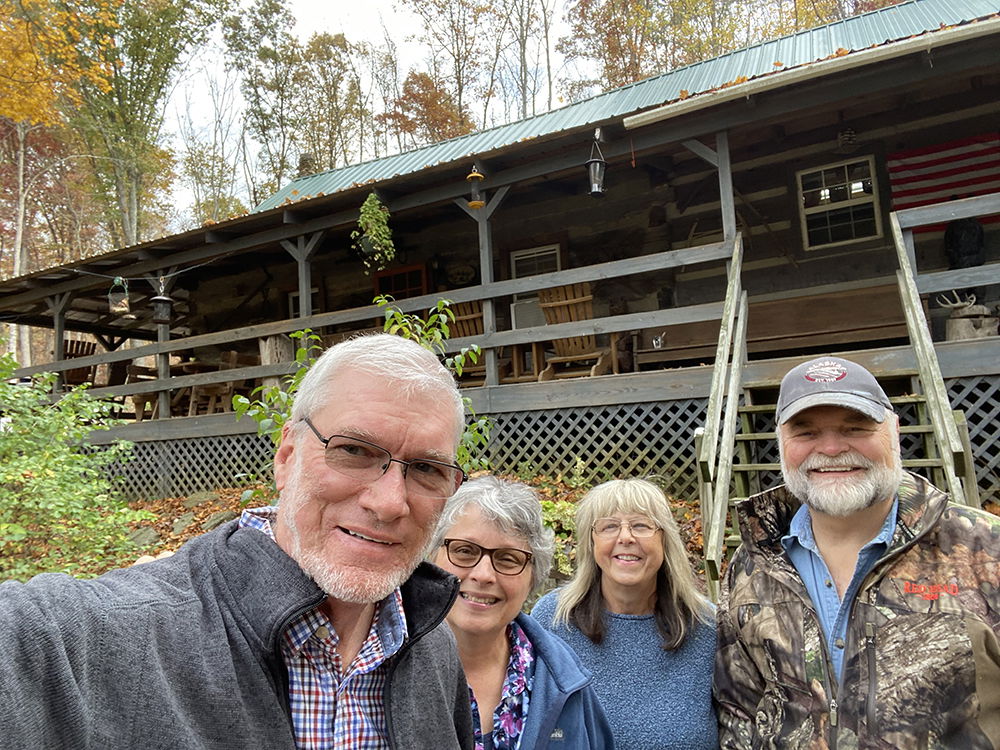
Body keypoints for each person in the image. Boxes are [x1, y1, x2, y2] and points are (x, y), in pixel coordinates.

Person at [0, 333, 475, 749]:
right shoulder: (94, 639)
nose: (390, 502)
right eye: (353, 450)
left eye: (427, 469)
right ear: (287, 457)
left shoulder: (432, 646)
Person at [714, 355, 1000, 748]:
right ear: (781, 443)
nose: (831, 448)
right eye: (806, 432)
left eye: (856, 427)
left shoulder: (986, 549)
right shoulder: (752, 564)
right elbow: (739, 711)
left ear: (894, 432)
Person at [430, 475, 615, 750]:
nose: (483, 575)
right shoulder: (379, 668)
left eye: (507, 558)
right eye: (464, 551)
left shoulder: (564, 682)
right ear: (431, 558)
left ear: (533, 578)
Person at [532, 477, 717, 750]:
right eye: (609, 526)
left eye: (641, 525)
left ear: (665, 540)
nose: (626, 537)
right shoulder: (552, 620)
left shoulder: (708, 626)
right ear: (590, 542)